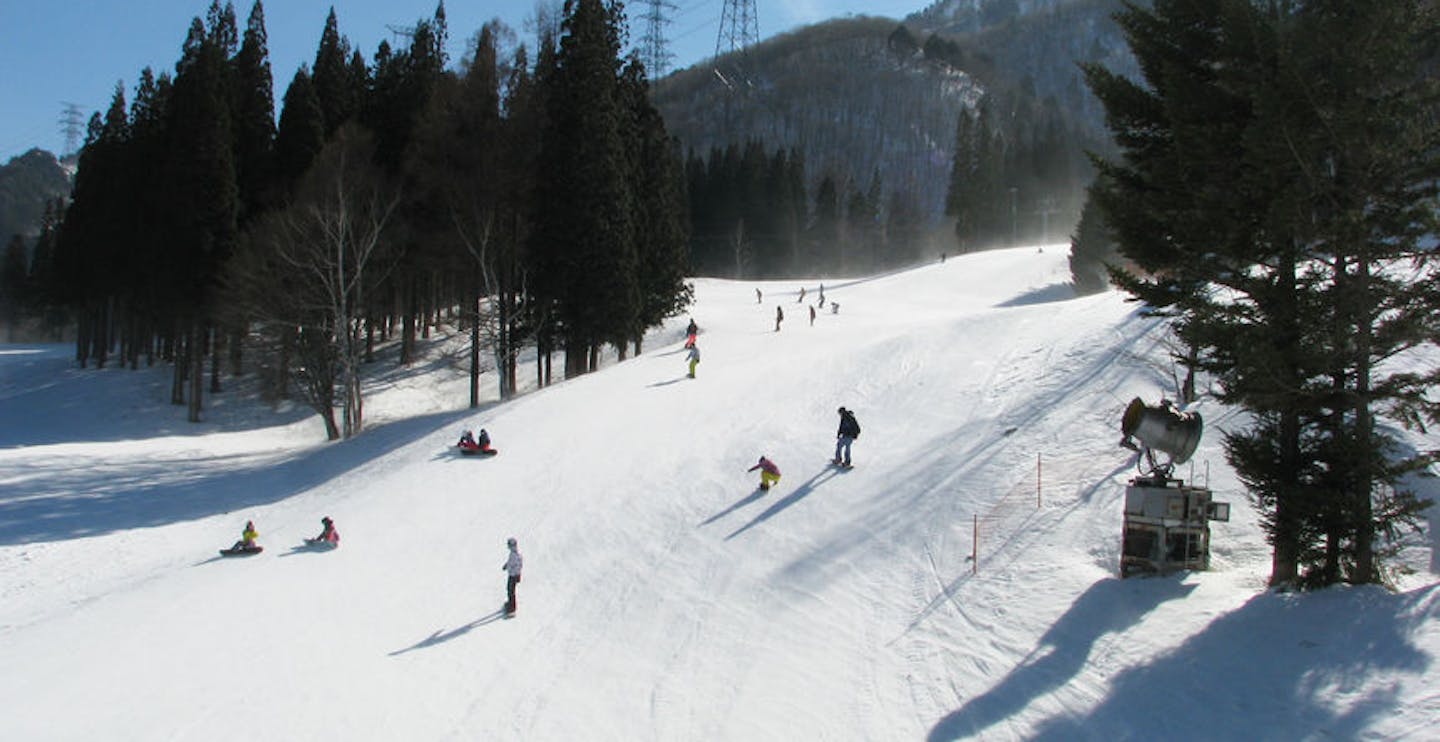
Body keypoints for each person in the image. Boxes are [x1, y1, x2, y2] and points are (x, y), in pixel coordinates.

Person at [501, 537, 523, 615]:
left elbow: (516, 565)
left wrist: (513, 572)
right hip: (513, 575)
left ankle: (512, 609)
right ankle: (510, 604)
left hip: (513, 576)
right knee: (509, 590)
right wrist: (506, 566)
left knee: (511, 591)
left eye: (509, 545)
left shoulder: (515, 555)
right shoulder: (514, 554)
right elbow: (511, 563)